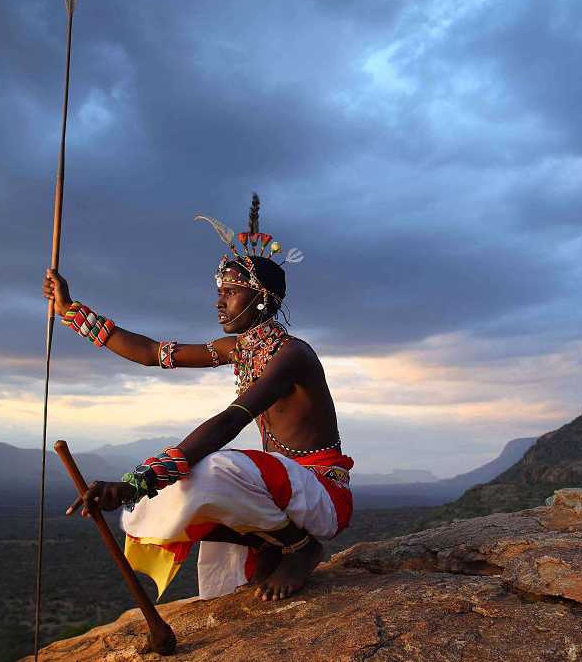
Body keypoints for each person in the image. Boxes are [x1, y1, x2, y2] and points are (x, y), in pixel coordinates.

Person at [41, 194, 352, 602]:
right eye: (220, 291)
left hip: (321, 492)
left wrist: (138, 481)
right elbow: (152, 353)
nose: (219, 301)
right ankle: (273, 542)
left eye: (232, 291)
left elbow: (231, 420)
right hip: (284, 493)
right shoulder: (238, 349)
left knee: (215, 469)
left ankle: (300, 546)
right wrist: (70, 310)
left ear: (263, 299)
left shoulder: (292, 355)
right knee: (167, 497)